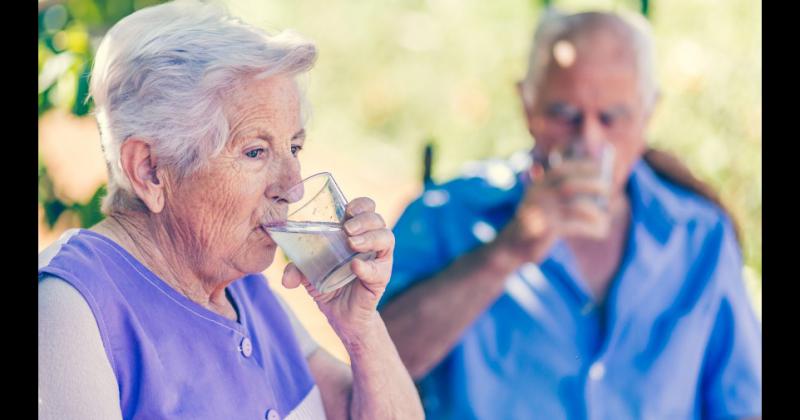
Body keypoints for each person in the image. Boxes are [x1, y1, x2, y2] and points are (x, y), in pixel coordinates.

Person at [38, 1, 424, 419]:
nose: (293, 188)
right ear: (149, 170)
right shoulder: (70, 310)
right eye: (255, 151)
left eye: (294, 147)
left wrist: (361, 330)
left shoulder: (242, 288)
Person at [379, 9, 761, 419]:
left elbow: (742, 402)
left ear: (649, 114)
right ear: (528, 106)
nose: (589, 141)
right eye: (564, 115)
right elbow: (374, 373)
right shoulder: (446, 216)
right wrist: (508, 250)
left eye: (612, 118)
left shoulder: (700, 235)